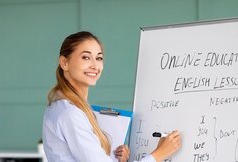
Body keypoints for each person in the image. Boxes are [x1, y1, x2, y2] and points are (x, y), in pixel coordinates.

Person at [42, 31, 182, 162]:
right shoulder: (70, 113)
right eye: (86, 57)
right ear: (64, 63)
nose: (95, 65)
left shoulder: (63, 107)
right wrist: (159, 154)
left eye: (99, 58)